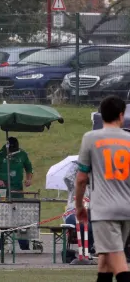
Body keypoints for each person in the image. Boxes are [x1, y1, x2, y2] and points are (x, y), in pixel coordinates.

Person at [75, 95, 130, 282]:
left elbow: (82, 178)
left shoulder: (91, 138)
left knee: (117, 258)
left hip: (104, 210)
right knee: (105, 259)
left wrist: (79, 206)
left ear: (101, 115)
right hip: (127, 208)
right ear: (121, 116)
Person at [0, 136, 33, 250]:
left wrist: (28, 179)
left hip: (17, 190)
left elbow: (29, 168)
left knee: (20, 217)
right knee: (0, 218)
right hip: (2, 192)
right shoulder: (0, 155)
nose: (13, 153)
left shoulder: (22, 154)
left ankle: (23, 242)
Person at [63, 161, 94, 257]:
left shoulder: (93, 188)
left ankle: (92, 249)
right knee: (85, 225)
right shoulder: (74, 186)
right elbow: (67, 177)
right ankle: (86, 250)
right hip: (73, 213)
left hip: (90, 213)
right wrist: (80, 163)